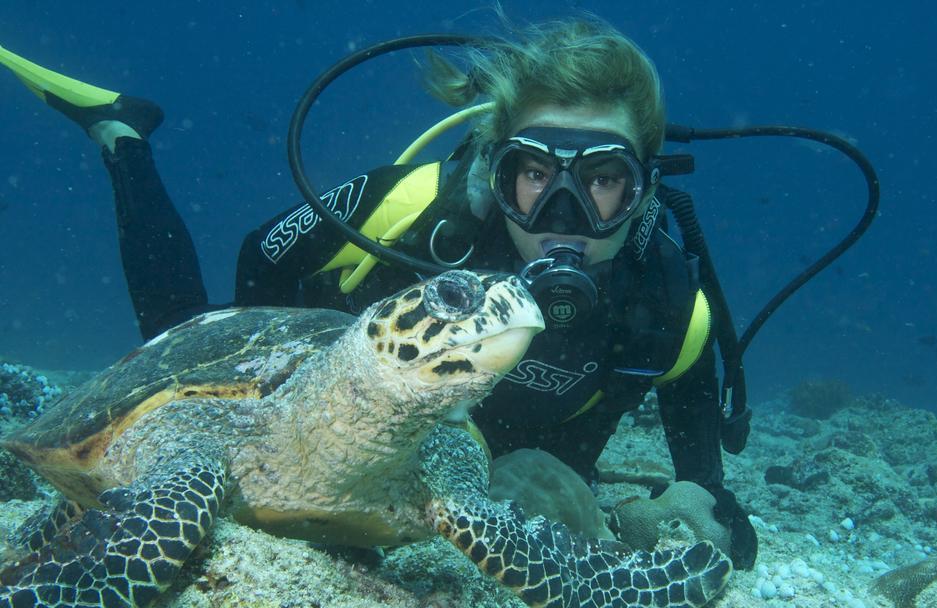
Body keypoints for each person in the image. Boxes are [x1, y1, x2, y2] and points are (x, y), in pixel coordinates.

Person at [0, 19, 758, 568]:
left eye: (601, 179)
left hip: (479, 471)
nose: (565, 215)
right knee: (180, 335)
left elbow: (702, 492)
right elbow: (259, 256)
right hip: (297, 403)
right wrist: (275, 403)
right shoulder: (416, 210)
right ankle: (123, 137)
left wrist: (701, 512)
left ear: (644, 187)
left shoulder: (672, 311)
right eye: (534, 173)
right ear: (498, 171)